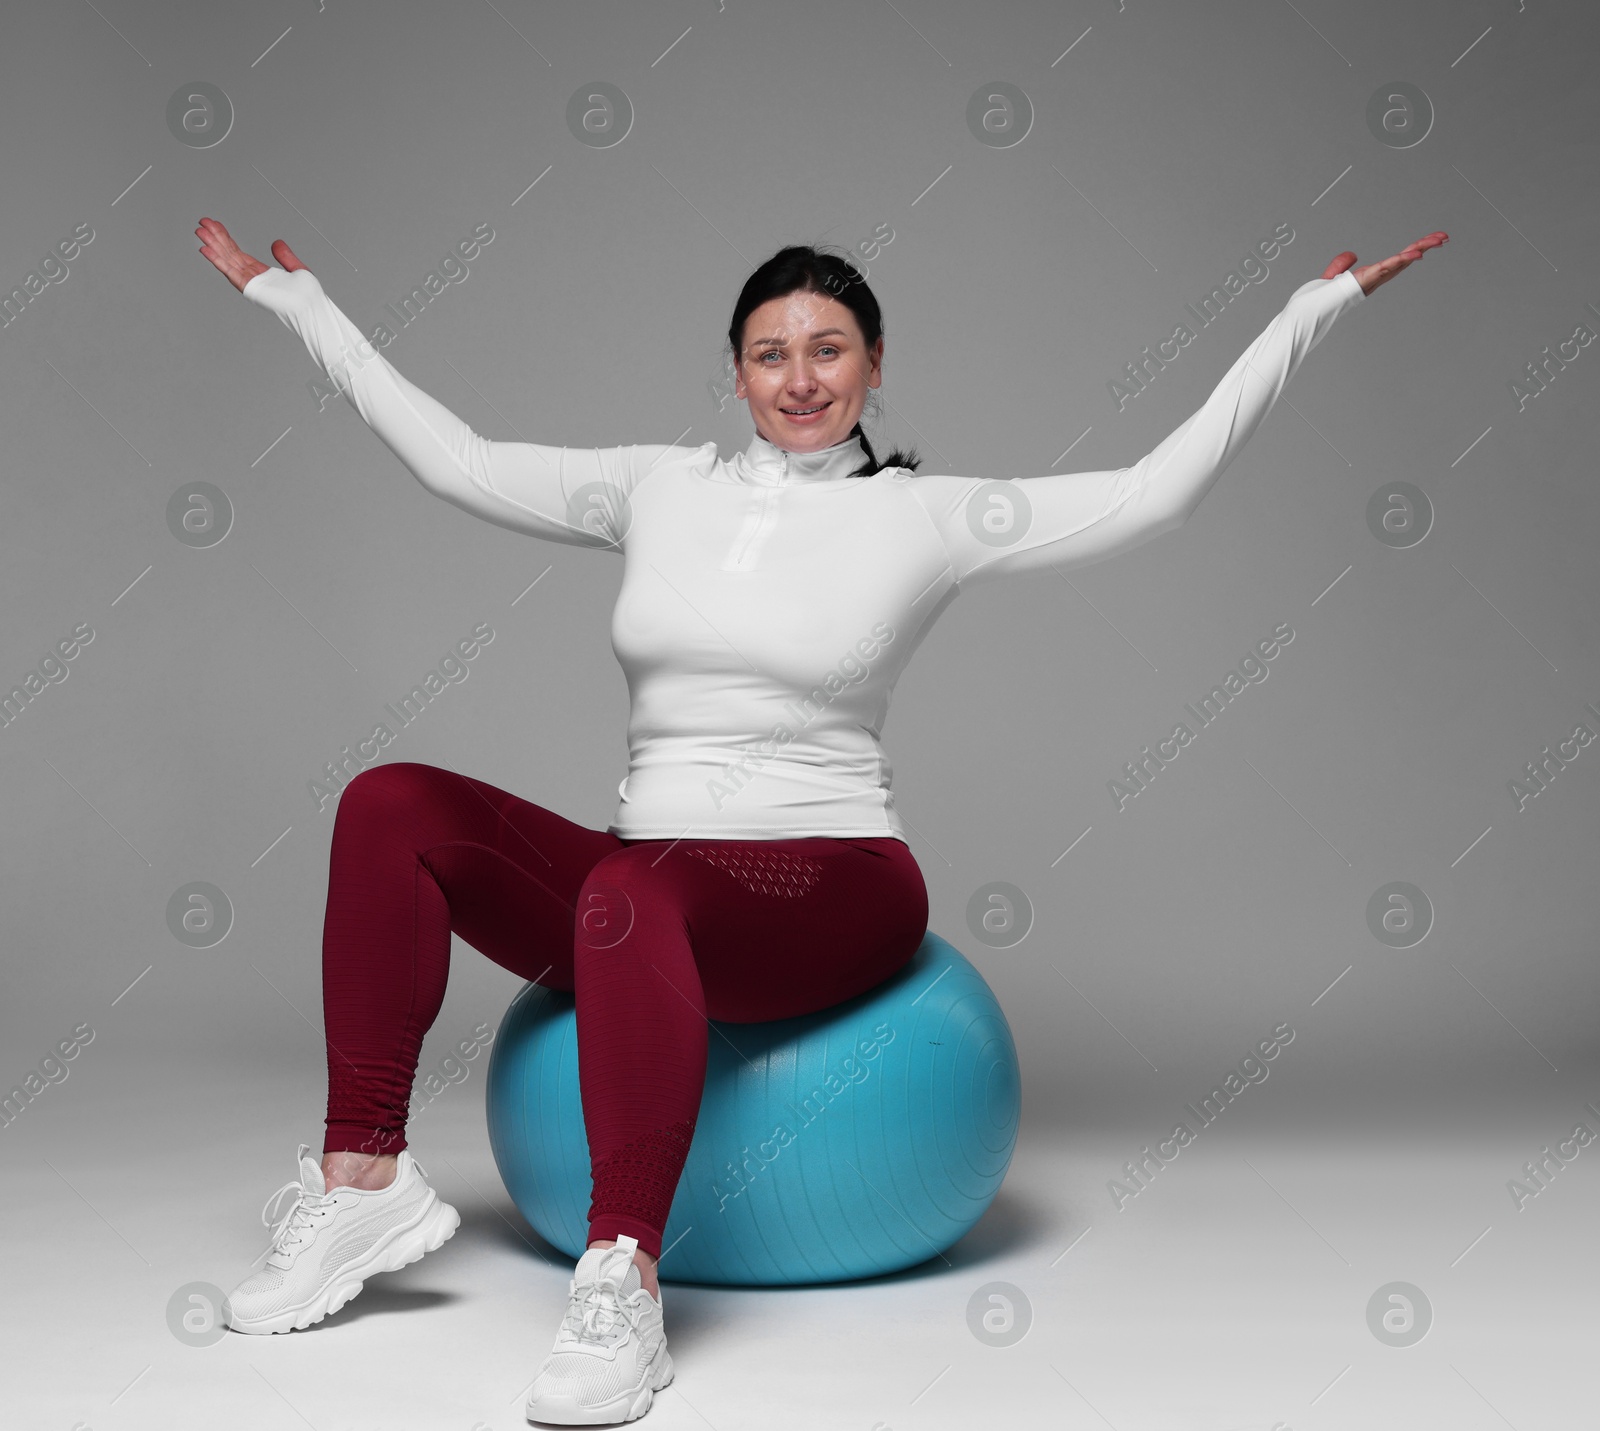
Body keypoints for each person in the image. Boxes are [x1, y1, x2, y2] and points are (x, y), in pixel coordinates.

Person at [195, 217, 1444, 1425]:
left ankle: (619, 1277)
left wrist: (1307, 313)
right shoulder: (654, 486)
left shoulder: (930, 514)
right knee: (391, 805)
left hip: (829, 882)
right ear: (734, 373)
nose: (801, 380)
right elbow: (452, 458)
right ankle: (360, 1180)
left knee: (631, 896)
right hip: (652, 880)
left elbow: (1152, 495)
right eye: (771, 354)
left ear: (875, 364)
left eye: (829, 348)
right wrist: (304, 312)